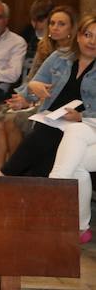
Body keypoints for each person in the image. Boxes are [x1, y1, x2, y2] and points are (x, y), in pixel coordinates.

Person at [1, 16, 96, 194]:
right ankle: (32, 194)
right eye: (87, 35)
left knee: (48, 136)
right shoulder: (60, 57)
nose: (92, 41)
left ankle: (6, 176)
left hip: (83, 125)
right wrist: (33, 86)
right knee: (46, 134)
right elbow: (33, 85)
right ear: (78, 37)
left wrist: (81, 116)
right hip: (50, 117)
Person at [46, 15, 96, 244]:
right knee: (75, 139)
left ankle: (52, 207)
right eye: (88, 35)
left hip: (89, 126)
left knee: (74, 145)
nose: (92, 41)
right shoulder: (68, 59)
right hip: (89, 126)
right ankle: (79, 228)